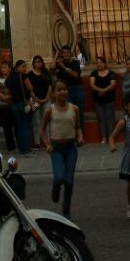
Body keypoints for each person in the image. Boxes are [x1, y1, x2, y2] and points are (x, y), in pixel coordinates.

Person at [41, 79, 84, 215]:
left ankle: (66, 210)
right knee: (59, 178)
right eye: (59, 90)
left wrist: (80, 136)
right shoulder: (50, 110)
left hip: (71, 148)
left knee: (69, 181)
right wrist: (47, 144)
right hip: (56, 149)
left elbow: (77, 127)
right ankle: (55, 186)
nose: (62, 92)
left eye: (64, 89)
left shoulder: (74, 109)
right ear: (53, 93)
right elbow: (42, 130)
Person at [53, 45, 87, 134]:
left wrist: (64, 67)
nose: (66, 55)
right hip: (66, 91)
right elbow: (51, 68)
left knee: (79, 113)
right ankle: (72, 135)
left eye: (67, 53)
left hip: (77, 89)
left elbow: (75, 75)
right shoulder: (59, 64)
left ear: (70, 53)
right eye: (64, 53)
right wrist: (56, 56)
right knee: (68, 113)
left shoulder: (75, 62)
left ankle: (80, 135)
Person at [6, 59, 33, 155]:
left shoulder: (9, 78)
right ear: (17, 67)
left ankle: (21, 148)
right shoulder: (24, 76)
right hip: (23, 103)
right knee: (25, 126)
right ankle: (26, 148)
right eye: (23, 66)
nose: (25, 68)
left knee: (19, 127)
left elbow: (8, 92)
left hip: (14, 104)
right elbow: (30, 88)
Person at [89, 54, 117, 143]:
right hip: (98, 100)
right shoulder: (93, 73)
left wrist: (104, 90)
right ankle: (104, 137)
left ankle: (111, 137)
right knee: (101, 119)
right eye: (97, 63)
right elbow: (92, 85)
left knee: (110, 119)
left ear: (105, 64)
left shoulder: (111, 73)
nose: (99, 64)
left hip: (109, 99)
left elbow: (113, 84)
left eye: (101, 62)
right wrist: (100, 90)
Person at [28, 54, 52, 148]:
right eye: (37, 62)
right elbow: (29, 88)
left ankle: (48, 141)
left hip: (46, 99)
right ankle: (37, 143)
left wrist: (46, 97)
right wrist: (35, 98)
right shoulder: (30, 74)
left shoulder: (46, 73)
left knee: (47, 121)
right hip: (35, 100)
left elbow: (50, 86)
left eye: (40, 62)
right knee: (36, 121)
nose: (39, 64)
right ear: (33, 64)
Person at [0, 55, 16, 152]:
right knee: (7, 128)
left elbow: (13, 91)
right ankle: (10, 147)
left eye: (5, 67)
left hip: (12, 104)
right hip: (3, 106)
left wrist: (8, 96)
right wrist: (4, 97)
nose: (3, 69)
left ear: (10, 68)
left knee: (16, 125)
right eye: (2, 67)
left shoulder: (13, 78)